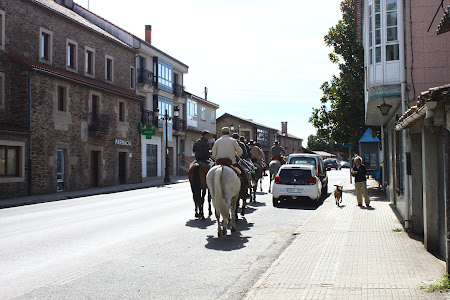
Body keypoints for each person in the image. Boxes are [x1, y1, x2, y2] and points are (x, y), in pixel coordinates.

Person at [211, 127, 247, 197]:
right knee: (244, 174)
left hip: (218, 163)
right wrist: (235, 153)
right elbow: (240, 152)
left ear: (221, 133)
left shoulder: (217, 141)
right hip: (231, 163)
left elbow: (213, 155)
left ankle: (210, 193)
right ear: (229, 133)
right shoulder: (233, 141)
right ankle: (243, 192)